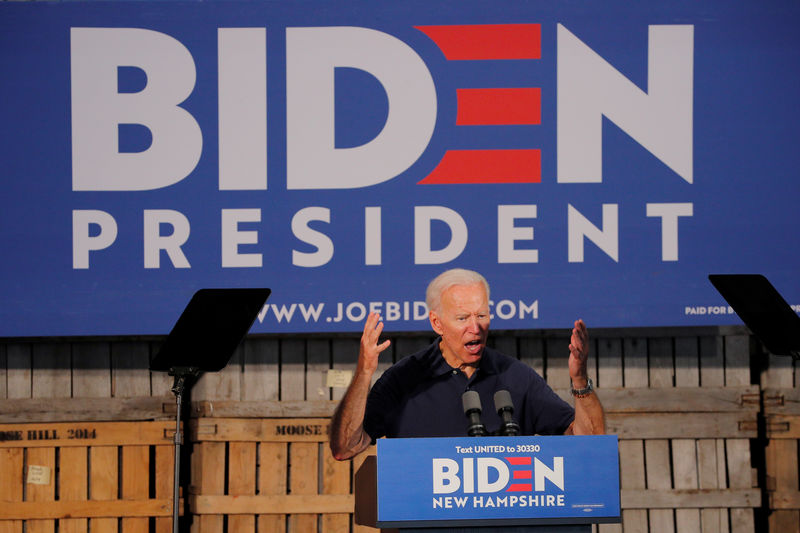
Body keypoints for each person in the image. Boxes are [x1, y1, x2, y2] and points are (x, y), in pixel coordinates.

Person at [330, 268, 605, 461]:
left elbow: (589, 442)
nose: (475, 327)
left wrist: (579, 380)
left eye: (482, 315)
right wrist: (364, 372)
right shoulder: (403, 380)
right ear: (436, 322)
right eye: (462, 318)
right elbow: (345, 447)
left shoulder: (515, 376)